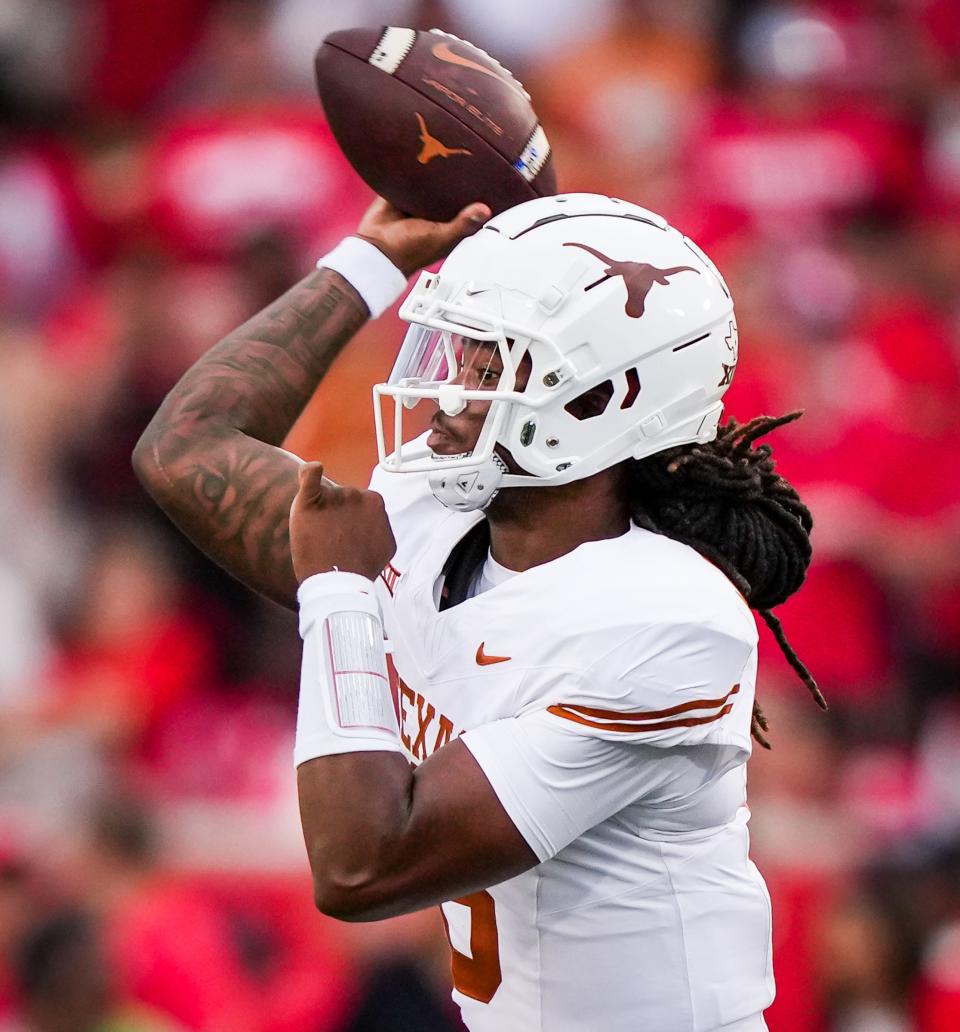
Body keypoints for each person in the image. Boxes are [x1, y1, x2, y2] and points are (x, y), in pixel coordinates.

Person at [134, 192, 823, 1032]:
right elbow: (185, 449)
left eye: (491, 364)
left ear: (604, 400)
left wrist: (342, 596)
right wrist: (368, 261)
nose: (450, 389)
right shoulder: (436, 510)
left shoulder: (664, 620)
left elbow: (362, 866)